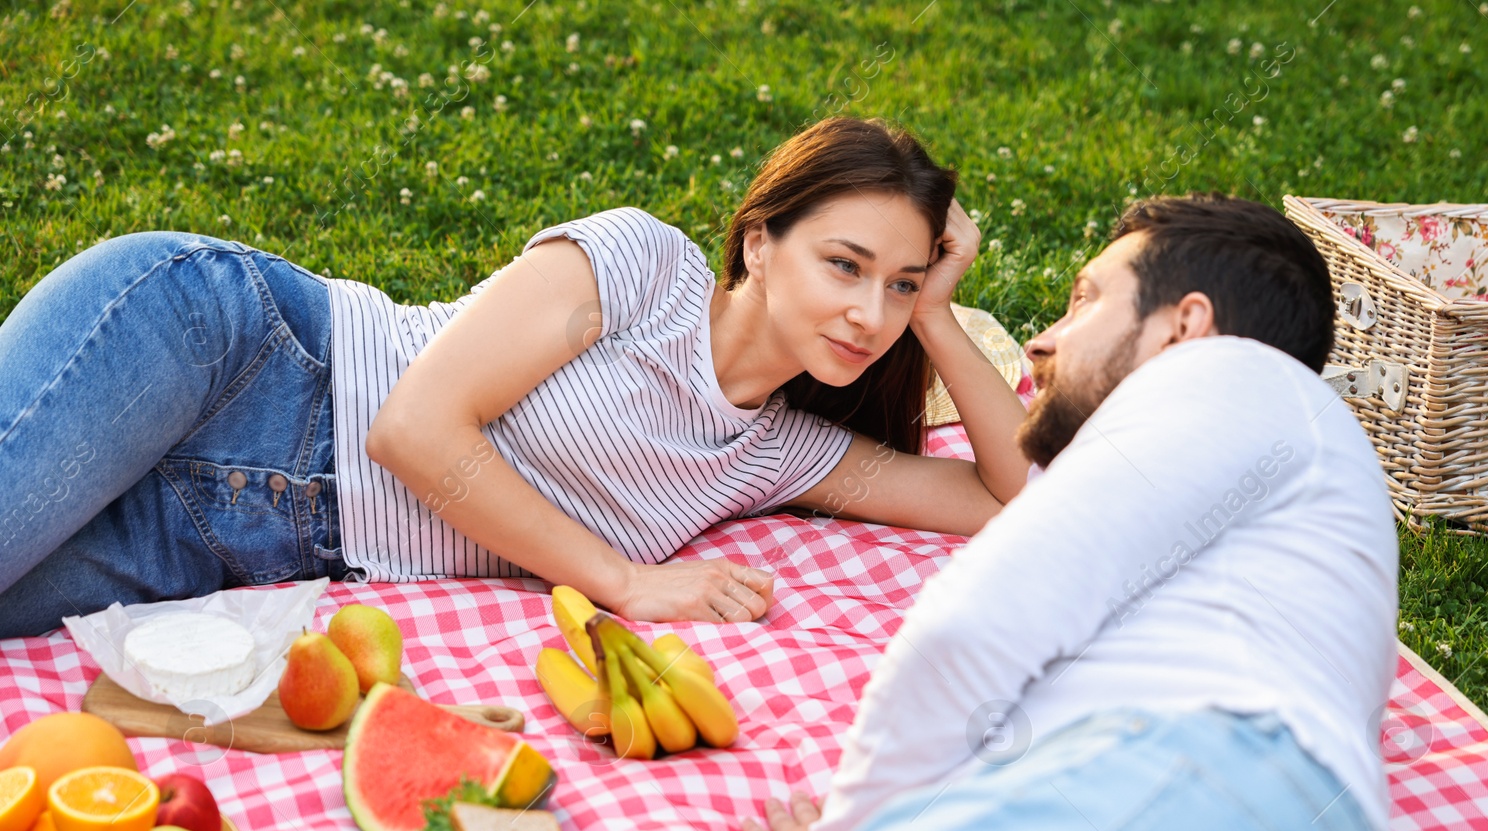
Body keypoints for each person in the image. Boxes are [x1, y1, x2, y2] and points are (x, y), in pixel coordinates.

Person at [504, 193, 1401, 831]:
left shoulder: (1228, 378)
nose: (1045, 338)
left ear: (1184, 324)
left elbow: (969, 632)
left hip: (1163, 805)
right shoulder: (1287, 485)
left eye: (1086, 298)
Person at [0, 117, 1030, 638]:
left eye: (896, 285)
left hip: (225, 534)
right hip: (231, 357)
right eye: (843, 264)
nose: (868, 312)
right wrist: (622, 579)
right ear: (758, 243)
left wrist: (936, 315)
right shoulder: (643, 269)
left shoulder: (777, 452)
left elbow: (1003, 498)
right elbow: (414, 426)